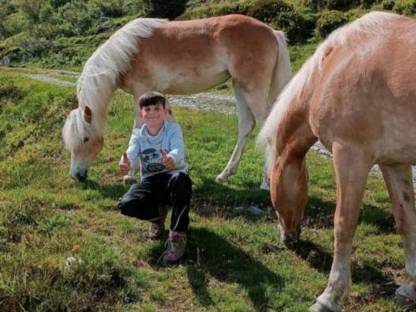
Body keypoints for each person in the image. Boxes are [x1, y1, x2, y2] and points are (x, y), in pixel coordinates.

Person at [118, 91, 192, 265]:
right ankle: (156, 218)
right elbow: (131, 151)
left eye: (157, 108)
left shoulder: (173, 129)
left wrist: (172, 158)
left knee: (182, 181)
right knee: (126, 204)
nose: (152, 113)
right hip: (151, 180)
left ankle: (177, 237)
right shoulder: (138, 134)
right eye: (148, 109)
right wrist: (125, 161)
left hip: (173, 177)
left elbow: (178, 148)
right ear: (140, 114)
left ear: (165, 112)